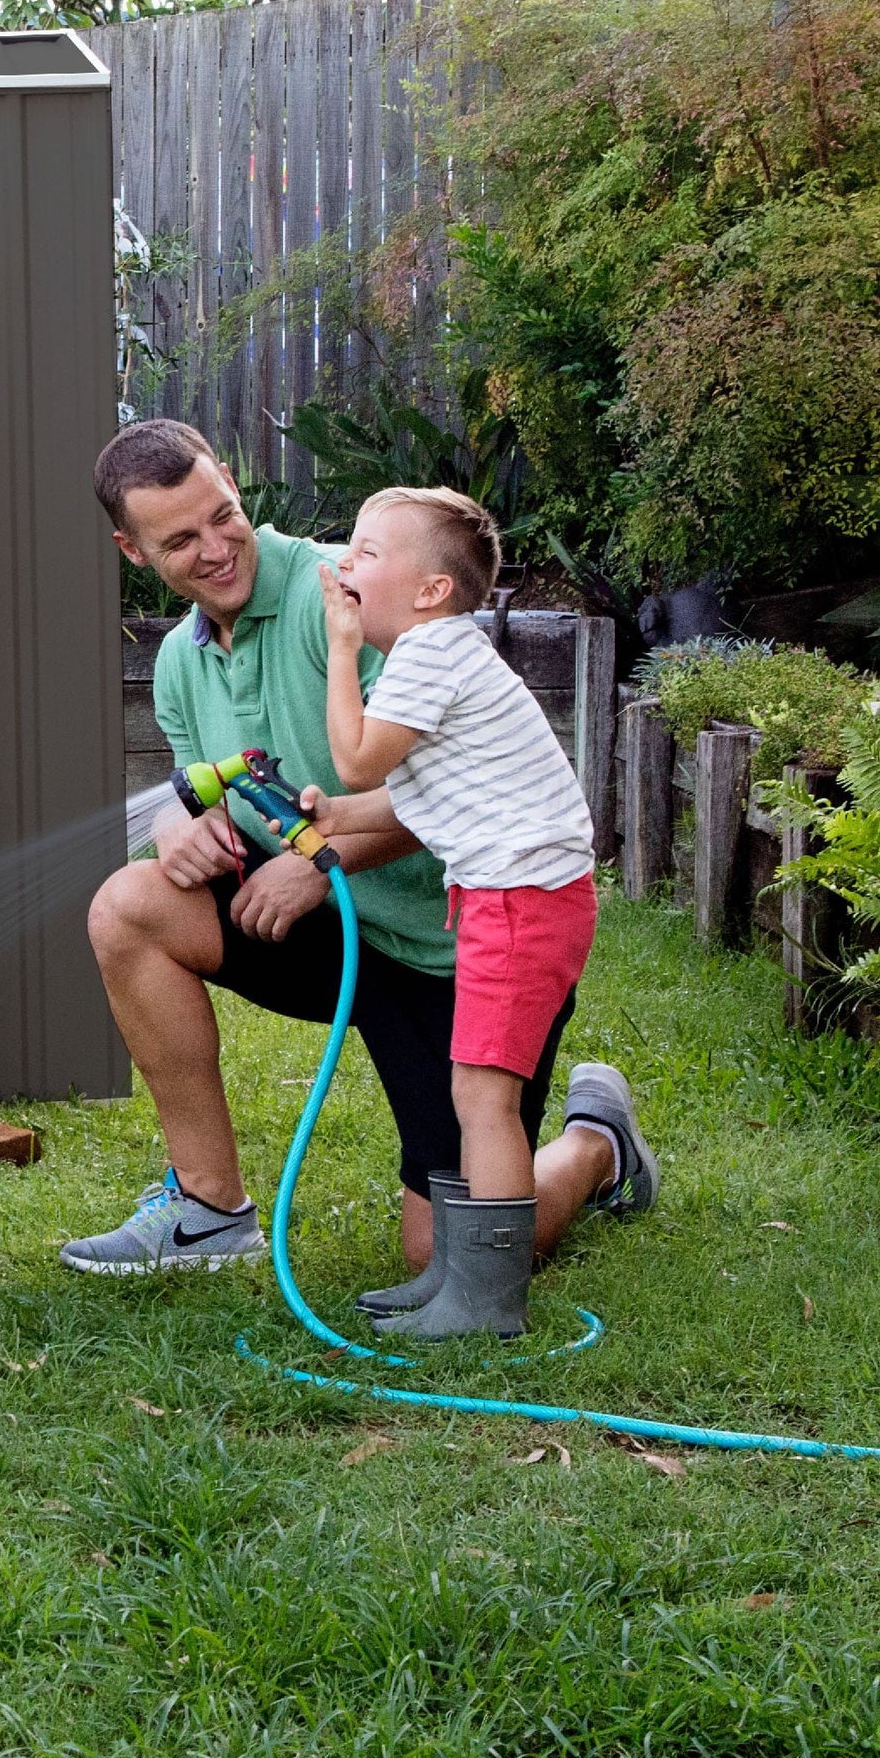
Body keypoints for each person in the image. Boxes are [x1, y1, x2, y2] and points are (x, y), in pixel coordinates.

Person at [61, 420, 653, 1293]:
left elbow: (456, 788)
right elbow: (210, 792)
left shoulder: (354, 595)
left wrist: (312, 863)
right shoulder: (181, 665)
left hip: (451, 946)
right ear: (133, 550)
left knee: (444, 1250)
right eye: (181, 540)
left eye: (222, 515)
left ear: (230, 480)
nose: (217, 548)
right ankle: (208, 1208)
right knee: (129, 903)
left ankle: (596, 1145)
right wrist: (181, 832)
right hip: (331, 939)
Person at [300, 485, 623, 1337]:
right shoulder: (444, 656)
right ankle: (455, 1274)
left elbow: (359, 759)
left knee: (485, 1097)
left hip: (521, 900)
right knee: (471, 1089)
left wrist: (339, 653)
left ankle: (487, 1301)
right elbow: (406, 794)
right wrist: (329, 816)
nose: (346, 565)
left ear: (432, 590)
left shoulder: (430, 652)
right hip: (513, 895)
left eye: (368, 552)